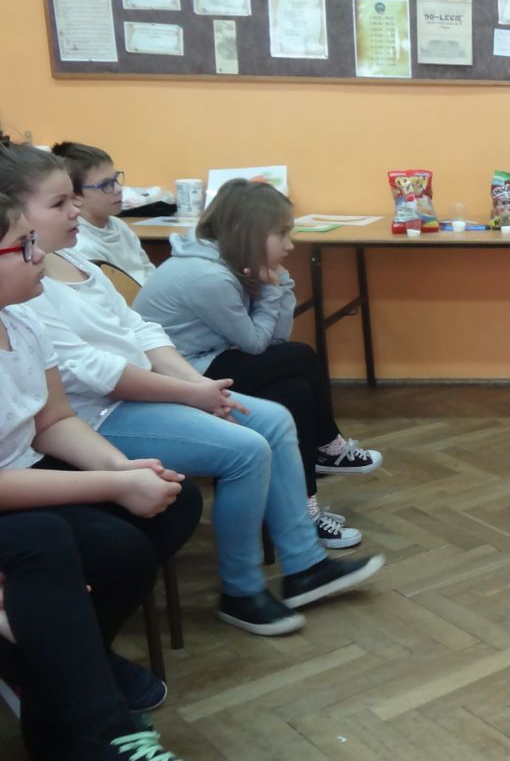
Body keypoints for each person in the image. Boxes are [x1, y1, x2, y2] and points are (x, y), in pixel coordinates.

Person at [0, 143, 383, 636]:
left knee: (273, 418)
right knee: (246, 450)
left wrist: (196, 384)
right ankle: (241, 590)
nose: (75, 209)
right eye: (58, 203)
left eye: (73, 197)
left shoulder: (78, 264)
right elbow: (92, 372)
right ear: (13, 211)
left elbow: (141, 331)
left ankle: (305, 564)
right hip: (100, 416)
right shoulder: (27, 290)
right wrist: (187, 394)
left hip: (139, 395)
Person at [0, 190, 199, 759]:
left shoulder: (22, 318)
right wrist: (114, 484)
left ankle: (57, 668)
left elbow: (52, 421)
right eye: (23, 246)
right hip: (12, 493)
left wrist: (122, 468)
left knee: (170, 503)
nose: (40, 255)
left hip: (24, 471)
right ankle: (97, 725)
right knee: (54, 541)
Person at [134, 180, 385, 486]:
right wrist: (270, 290)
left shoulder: (232, 263)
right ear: (245, 231)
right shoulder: (208, 276)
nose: (290, 245)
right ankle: (329, 447)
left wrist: (280, 281)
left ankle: (305, 502)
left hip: (207, 360)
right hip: (178, 374)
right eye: (281, 233)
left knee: (295, 390)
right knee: (300, 356)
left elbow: (275, 340)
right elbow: (255, 344)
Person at [50, 142, 156, 285]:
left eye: (116, 179)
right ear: (75, 197)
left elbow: (148, 270)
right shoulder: (78, 244)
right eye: (106, 185)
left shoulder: (118, 225)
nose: (118, 189)